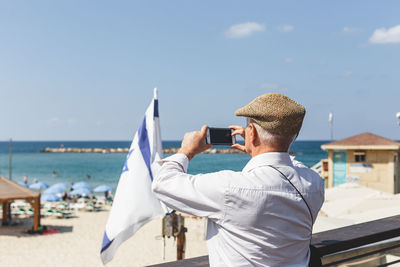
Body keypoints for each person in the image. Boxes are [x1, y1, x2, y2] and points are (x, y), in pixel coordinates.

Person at [152, 93, 325, 266]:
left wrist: (186, 151)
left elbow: (163, 183)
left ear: (253, 133)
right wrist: (257, 147)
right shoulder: (314, 184)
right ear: (294, 135)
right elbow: (287, 163)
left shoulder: (230, 189)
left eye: (248, 126)